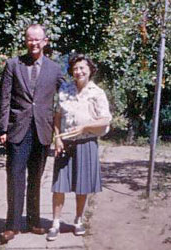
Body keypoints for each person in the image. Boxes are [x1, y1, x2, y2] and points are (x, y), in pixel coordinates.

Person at [0, 24, 64, 243]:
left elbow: (65, 96)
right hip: (18, 129)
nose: (34, 43)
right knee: (15, 177)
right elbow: (5, 99)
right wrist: (3, 128)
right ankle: (12, 225)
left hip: (42, 130)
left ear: (45, 41)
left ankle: (34, 221)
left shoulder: (54, 69)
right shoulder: (13, 65)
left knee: (36, 178)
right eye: (30, 39)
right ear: (25, 41)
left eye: (38, 39)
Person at [46, 53, 112, 241]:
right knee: (59, 186)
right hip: (65, 143)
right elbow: (57, 116)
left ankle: (78, 220)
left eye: (82, 67)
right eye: (75, 68)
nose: (79, 71)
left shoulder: (97, 93)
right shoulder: (65, 89)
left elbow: (105, 120)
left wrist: (84, 127)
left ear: (90, 70)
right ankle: (55, 223)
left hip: (86, 143)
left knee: (82, 186)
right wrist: (57, 138)